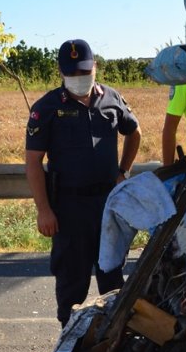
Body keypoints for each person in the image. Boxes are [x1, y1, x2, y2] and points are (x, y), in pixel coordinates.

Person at [25, 39, 142, 326]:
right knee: (71, 281)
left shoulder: (111, 98)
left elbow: (134, 132)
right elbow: (32, 161)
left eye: (85, 72)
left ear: (95, 67)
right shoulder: (47, 107)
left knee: (112, 277)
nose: (80, 80)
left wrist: (123, 171)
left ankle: (114, 341)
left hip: (106, 205)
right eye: (73, 74)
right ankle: (68, 347)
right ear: (62, 73)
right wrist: (44, 209)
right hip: (68, 207)